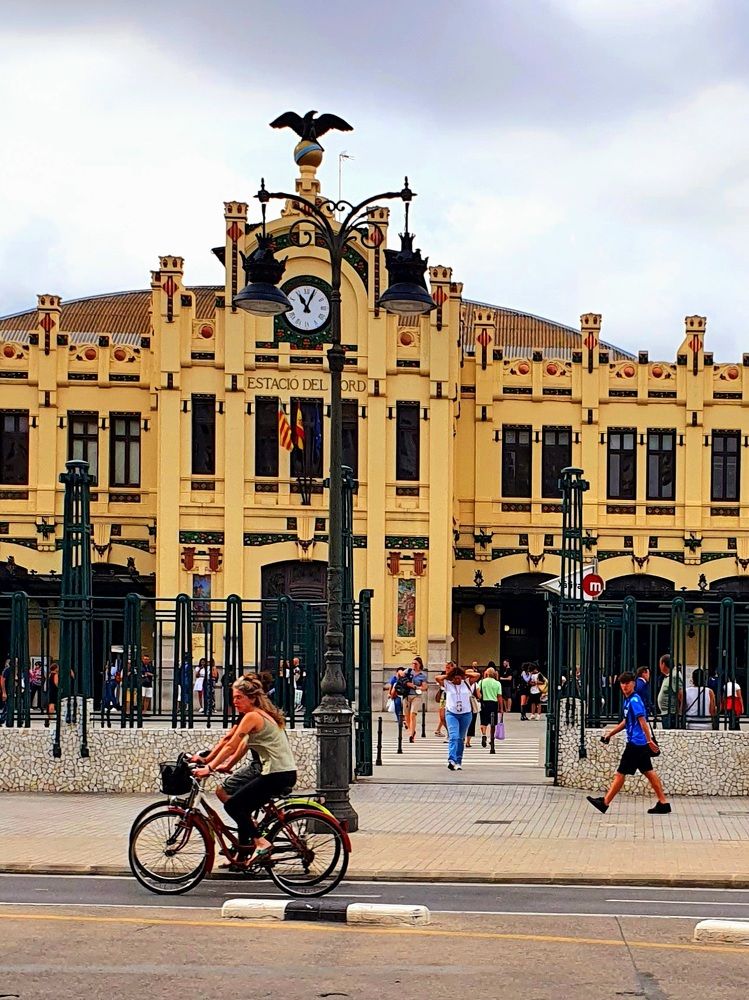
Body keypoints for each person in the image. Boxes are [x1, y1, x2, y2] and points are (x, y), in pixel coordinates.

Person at [193, 675, 297, 865]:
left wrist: (209, 767)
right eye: (233, 697)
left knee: (233, 806)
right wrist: (223, 765)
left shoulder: (252, 716)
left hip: (276, 774)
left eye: (239, 697)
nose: (235, 701)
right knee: (243, 810)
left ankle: (261, 843)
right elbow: (241, 745)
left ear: (252, 698)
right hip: (282, 773)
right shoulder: (258, 715)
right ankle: (243, 854)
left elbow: (230, 745)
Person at [587, 671, 671, 815]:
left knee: (621, 773)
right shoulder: (628, 701)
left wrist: (649, 740)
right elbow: (627, 721)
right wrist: (611, 733)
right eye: (622, 683)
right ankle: (663, 803)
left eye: (627, 683)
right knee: (648, 772)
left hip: (636, 744)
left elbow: (642, 721)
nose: (625, 686)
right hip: (638, 743)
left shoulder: (634, 701)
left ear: (633, 684)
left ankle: (605, 802)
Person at [436, 662, 473, 770]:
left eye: (459, 678)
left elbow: (477, 675)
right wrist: (449, 675)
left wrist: (463, 674)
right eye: (455, 678)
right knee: (454, 736)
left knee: (461, 738)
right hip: (452, 713)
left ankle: (458, 761)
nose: (457, 680)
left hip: (466, 714)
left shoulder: (466, 682)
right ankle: (451, 759)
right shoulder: (447, 684)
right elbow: (437, 678)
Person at [478, 666, 502, 747]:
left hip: (484, 703)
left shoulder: (481, 682)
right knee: (493, 723)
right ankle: (492, 738)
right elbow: (499, 696)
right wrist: (501, 708)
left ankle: (484, 735)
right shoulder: (497, 683)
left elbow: (478, 692)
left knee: (483, 721)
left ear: (487, 673)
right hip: (493, 703)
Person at [656, 653, 682, 729]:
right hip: (667, 714)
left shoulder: (674, 676)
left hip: (671, 714)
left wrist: (679, 714)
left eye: (660, 664)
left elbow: (681, 695)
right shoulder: (669, 676)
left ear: (663, 664)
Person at [405, 656, 427, 743]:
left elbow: (424, 687)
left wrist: (415, 687)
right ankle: (412, 730)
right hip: (406, 695)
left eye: (416, 663)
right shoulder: (408, 671)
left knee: (412, 714)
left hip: (416, 696)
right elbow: (399, 674)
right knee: (406, 717)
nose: (414, 665)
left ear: (420, 664)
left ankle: (411, 735)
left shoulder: (422, 675)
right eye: (413, 663)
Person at [464, 662, 481, 746]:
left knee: (464, 723)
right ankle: (468, 741)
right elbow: (479, 695)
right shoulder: (476, 684)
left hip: (464, 705)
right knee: (471, 723)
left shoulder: (462, 682)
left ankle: (463, 738)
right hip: (472, 706)